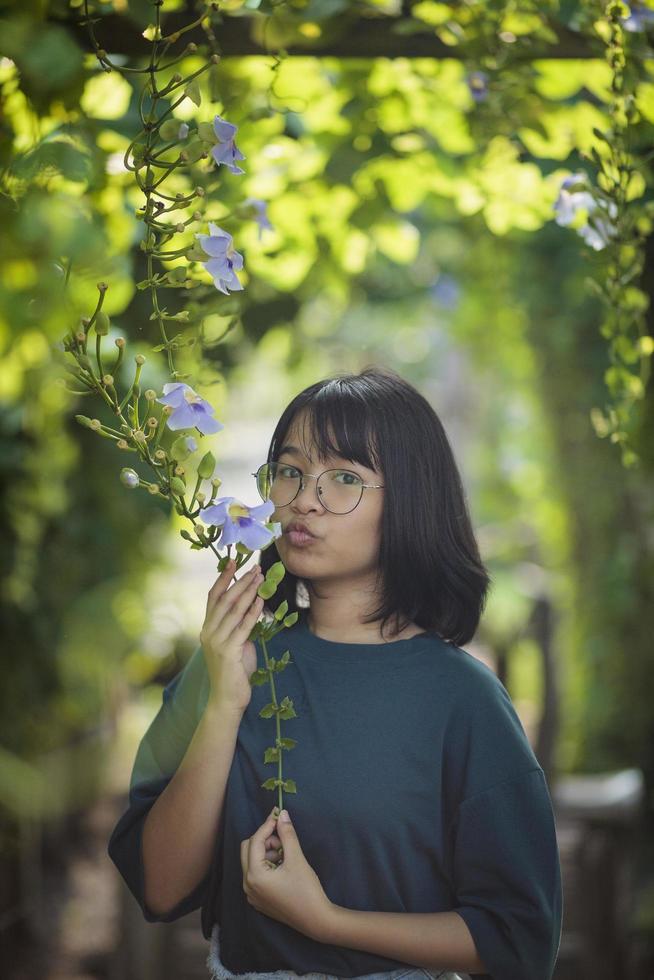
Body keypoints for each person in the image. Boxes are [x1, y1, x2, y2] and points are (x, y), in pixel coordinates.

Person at [108, 366, 563, 980]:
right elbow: (158, 888)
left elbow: (520, 938)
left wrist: (326, 921)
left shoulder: (464, 700)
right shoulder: (230, 661)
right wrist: (223, 704)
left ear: (411, 501)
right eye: (290, 471)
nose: (302, 499)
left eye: (344, 478)